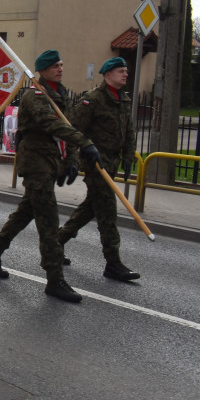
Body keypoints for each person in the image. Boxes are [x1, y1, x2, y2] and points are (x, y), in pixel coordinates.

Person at [0, 50, 101, 302]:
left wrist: (71, 160)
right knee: (48, 220)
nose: (60, 68)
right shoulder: (34, 95)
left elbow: (68, 127)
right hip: (35, 163)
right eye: (55, 65)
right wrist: (85, 142)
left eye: (62, 64)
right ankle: (55, 279)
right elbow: (52, 125)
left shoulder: (60, 94)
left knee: (26, 212)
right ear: (42, 70)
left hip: (50, 162)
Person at [57, 56, 142, 282]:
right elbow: (73, 130)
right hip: (96, 165)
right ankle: (113, 263)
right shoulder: (92, 100)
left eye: (126, 71)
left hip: (112, 164)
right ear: (108, 75)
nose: (125, 74)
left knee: (90, 209)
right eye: (121, 71)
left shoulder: (122, 99)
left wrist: (128, 155)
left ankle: (56, 242)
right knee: (107, 213)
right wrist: (76, 157)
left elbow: (129, 131)